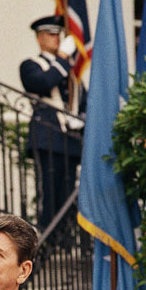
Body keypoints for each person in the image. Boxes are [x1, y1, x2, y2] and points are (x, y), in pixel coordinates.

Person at [20, 15, 86, 231]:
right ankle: (49, 240)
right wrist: (64, 58)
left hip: (70, 140)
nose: (57, 38)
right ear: (40, 38)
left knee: (67, 195)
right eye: (51, 34)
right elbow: (43, 82)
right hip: (47, 138)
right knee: (49, 194)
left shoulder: (68, 71)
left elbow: (82, 99)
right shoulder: (30, 65)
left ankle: (65, 240)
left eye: (58, 34)